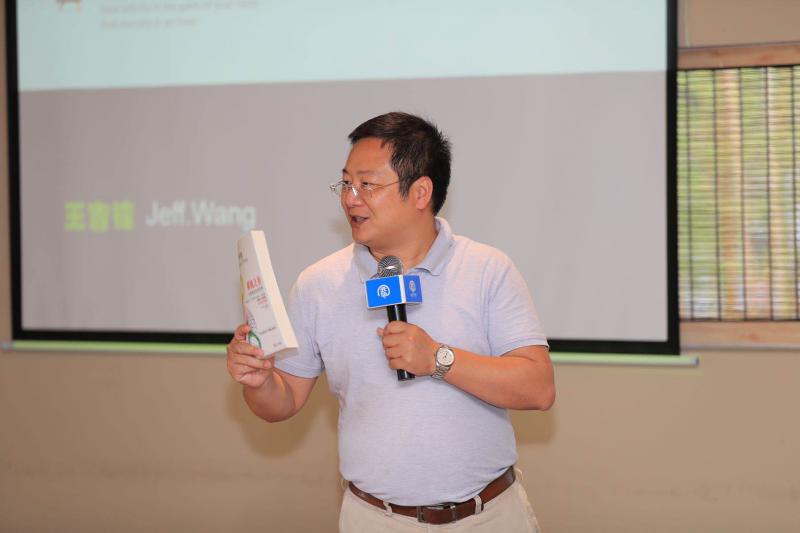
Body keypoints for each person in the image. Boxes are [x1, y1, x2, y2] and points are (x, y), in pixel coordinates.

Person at [226, 112, 555, 532]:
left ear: (420, 192)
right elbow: (283, 400)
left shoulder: (487, 269)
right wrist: (259, 383)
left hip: (487, 517)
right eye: (346, 183)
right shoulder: (318, 284)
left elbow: (538, 387)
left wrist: (438, 358)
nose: (350, 198)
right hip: (374, 518)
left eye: (367, 184)